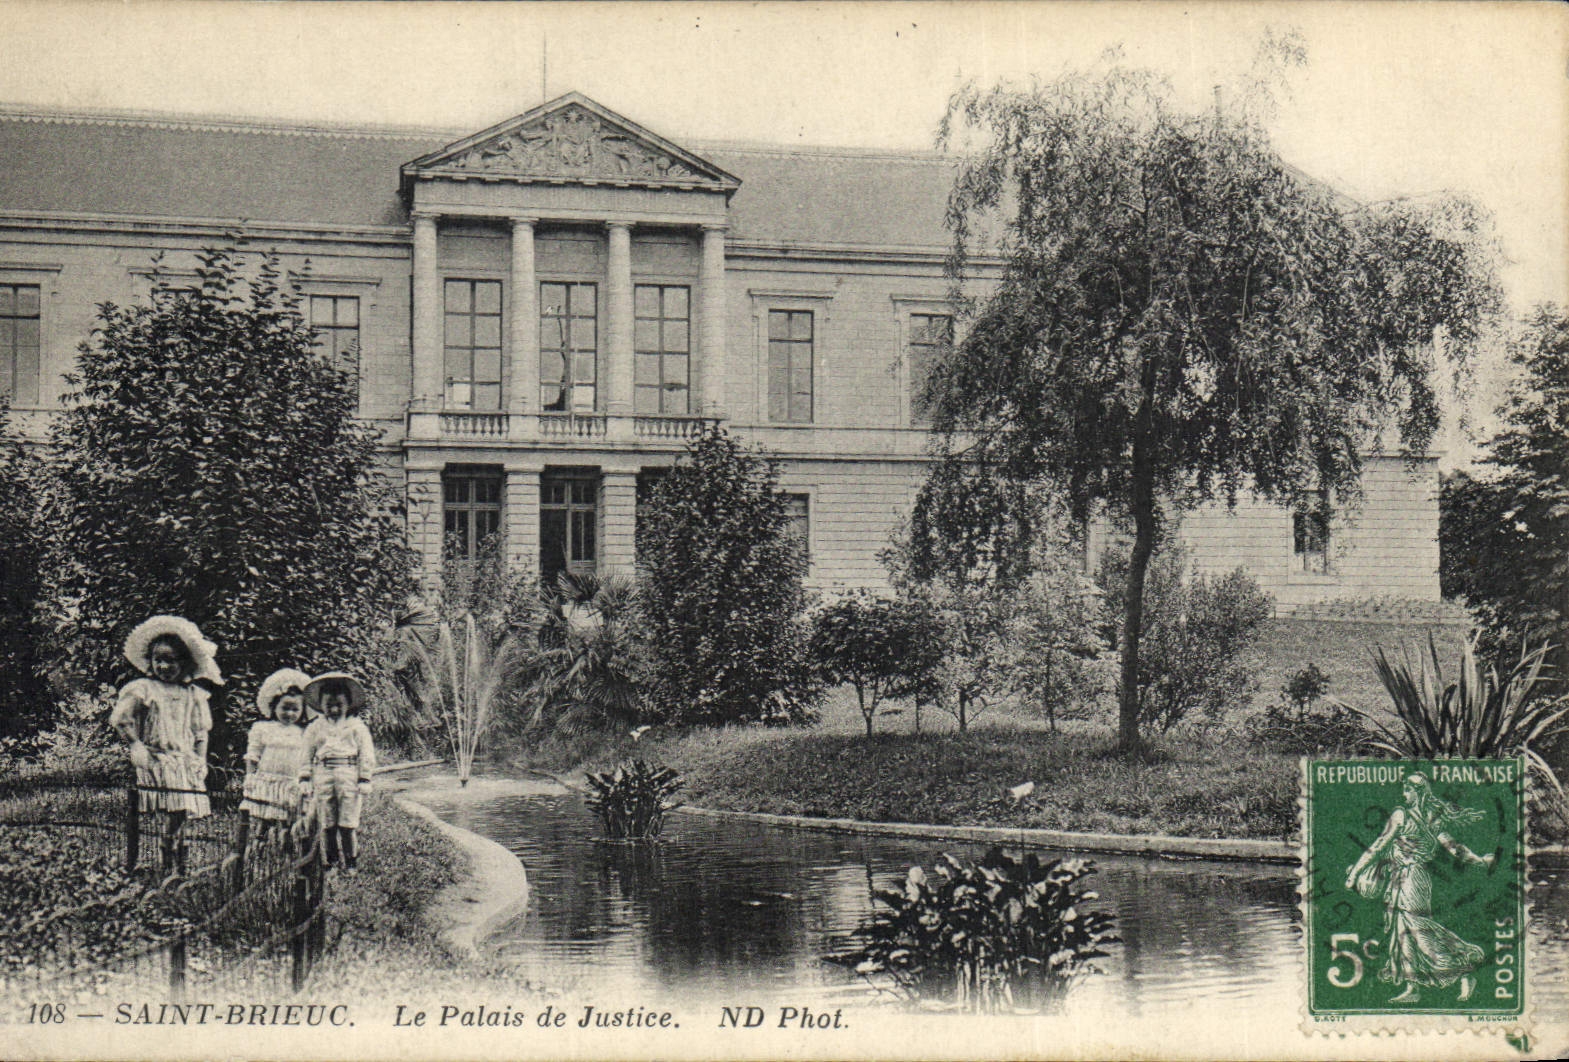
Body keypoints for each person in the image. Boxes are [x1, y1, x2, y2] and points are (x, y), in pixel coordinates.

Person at [1345, 771, 1496, 1003]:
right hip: (1407, 878)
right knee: (1402, 931)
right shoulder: (1431, 817)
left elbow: (1378, 845)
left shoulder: (1401, 815)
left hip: (1412, 878)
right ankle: (1412, 988)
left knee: (1417, 929)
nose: (1404, 794)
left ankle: (1465, 969)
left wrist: (1355, 872)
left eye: (1407, 790)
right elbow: (1454, 847)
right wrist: (1480, 860)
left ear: (1418, 792)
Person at [109, 615, 223, 875]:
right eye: (158, 660)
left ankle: (177, 862)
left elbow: (200, 732)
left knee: (180, 812)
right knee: (167, 812)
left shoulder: (193, 694)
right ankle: (161, 860)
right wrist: (136, 745)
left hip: (183, 760)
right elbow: (122, 719)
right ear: (150, 662)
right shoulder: (144, 688)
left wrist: (199, 760)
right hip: (156, 759)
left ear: (184, 663)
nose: (164, 666)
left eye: (171, 660)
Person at [299, 672, 376, 873]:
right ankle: (331, 862)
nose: (334, 709)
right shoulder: (315, 727)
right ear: (321, 705)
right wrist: (305, 776)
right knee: (328, 823)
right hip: (324, 774)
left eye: (339, 705)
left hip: (349, 774)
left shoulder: (356, 727)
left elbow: (366, 753)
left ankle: (351, 862)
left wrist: (364, 777)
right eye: (328, 705)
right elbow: (306, 753)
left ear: (348, 704)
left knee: (348, 823)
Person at [239, 668, 314, 852]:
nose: (290, 713)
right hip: (268, 779)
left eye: (295, 709)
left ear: (303, 710)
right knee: (265, 816)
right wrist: (250, 775)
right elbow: (253, 754)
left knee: (288, 818)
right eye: (285, 708)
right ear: (274, 707)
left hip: (290, 782)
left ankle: (285, 848)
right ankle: (259, 846)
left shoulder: (304, 733)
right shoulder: (263, 728)